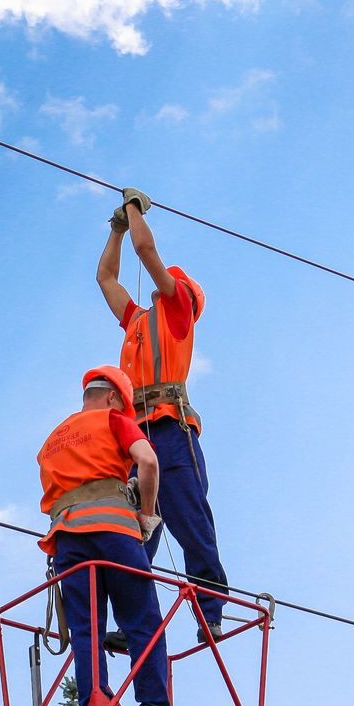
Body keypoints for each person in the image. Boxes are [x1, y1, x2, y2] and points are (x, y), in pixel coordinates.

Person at [96, 187, 229, 647]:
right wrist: (114, 231)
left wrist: (133, 209)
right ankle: (136, 627)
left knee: (191, 521)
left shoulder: (176, 313)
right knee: (136, 533)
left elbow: (146, 249)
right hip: (136, 436)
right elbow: (106, 277)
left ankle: (210, 611)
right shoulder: (137, 319)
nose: (160, 280)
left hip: (171, 431)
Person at [36, 365, 169, 706]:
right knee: (142, 620)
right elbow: (148, 461)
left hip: (68, 541)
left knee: (86, 627)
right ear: (112, 397)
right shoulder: (114, 420)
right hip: (115, 533)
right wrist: (146, 515)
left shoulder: (52, 440)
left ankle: (96, 705)